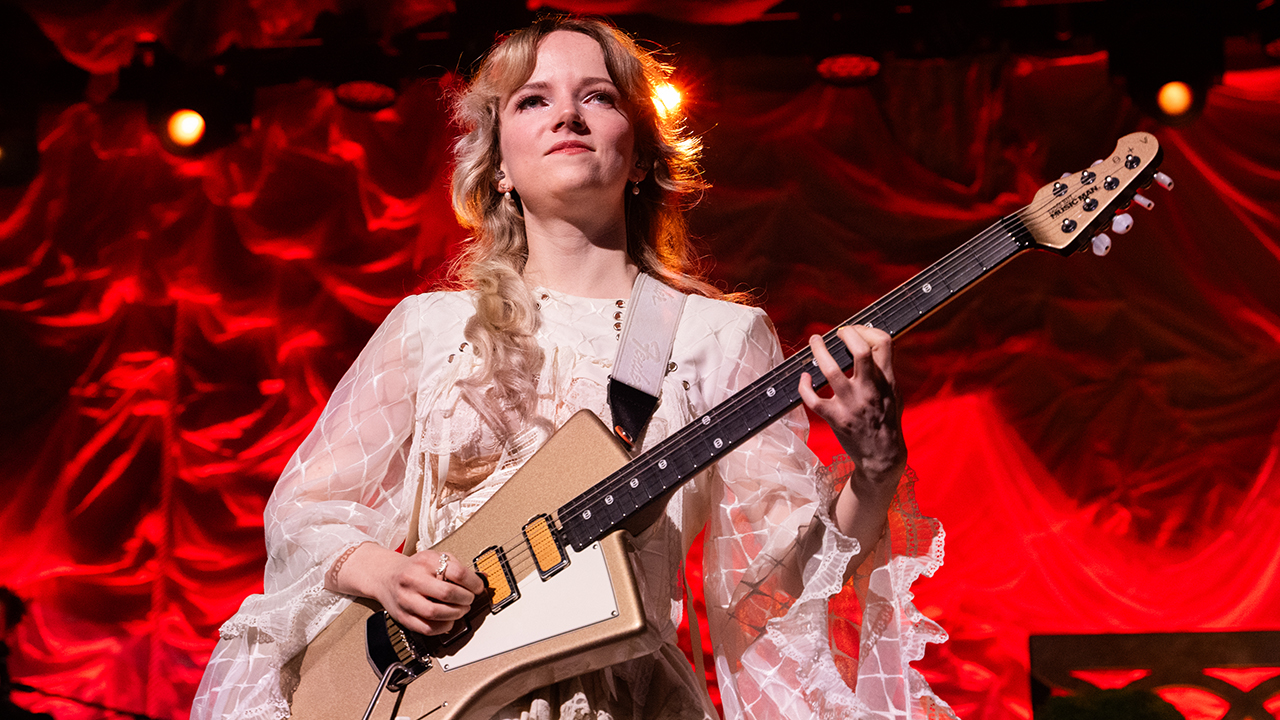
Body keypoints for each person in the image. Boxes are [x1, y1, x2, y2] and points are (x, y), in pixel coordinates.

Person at [193, 15, 951, 720]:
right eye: (532, 101)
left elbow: (774, 581)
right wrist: (383, 574)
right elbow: (307, 512)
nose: (567, 115)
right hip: (432, 697)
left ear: (642, 155)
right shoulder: (429, 330)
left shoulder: (718, 336)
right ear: (497, 169)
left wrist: (876, 465)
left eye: (598, 96)